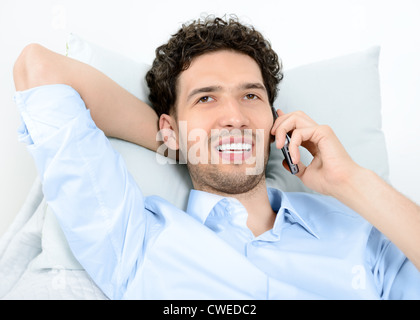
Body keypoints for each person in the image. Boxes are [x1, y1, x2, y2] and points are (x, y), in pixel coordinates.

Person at [12, 16, 420, 299]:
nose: (235, 116)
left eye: (251, 96)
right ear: (169, 127)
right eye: (206, 98)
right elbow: (39, 67)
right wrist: (182, 142)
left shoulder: (363, 234)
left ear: (274, 119)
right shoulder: (134, 240)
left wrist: (351, 181)